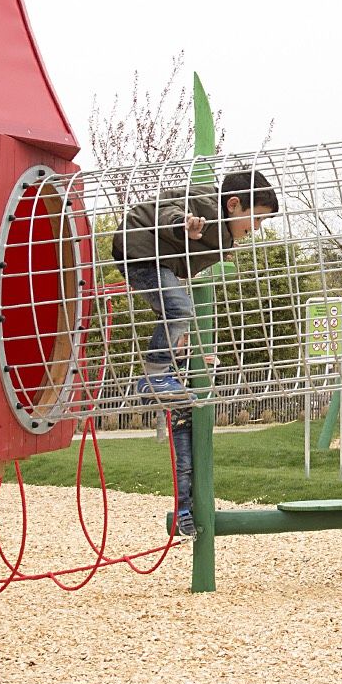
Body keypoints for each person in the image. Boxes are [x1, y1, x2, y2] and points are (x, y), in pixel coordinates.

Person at [110, 168, 279, 536]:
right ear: (234, 204)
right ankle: (154, 376)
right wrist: (183, 225)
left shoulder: (225, 234)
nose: (258, 228)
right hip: (138, 250)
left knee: (177, 312)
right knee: (180, 309)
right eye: (258, 218)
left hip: (157, 261)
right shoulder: (206, 207)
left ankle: (185, 514)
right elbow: (168, 211)